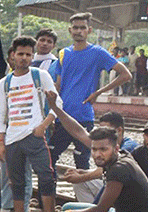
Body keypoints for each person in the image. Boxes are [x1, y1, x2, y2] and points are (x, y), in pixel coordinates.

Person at [49, 94, 148, 212]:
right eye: (94, 149)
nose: (97, 154)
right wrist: (56, 109)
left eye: (103, 149)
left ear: (116, 148)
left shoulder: (119, 169)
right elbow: (78, 131)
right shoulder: (115, 157)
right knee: (69, 205)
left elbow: (100, 210)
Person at [50, 13, 131, 170]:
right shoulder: (63, 54)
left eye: (82, 27)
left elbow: (126, 74)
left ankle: (84, 194)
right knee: (50, 159)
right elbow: (59, 86)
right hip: (63, 117)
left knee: (82, 161)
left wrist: (98, 92)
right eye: (75, 27)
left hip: (83, 116)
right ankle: (48, 194)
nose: (78, 31)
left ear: (89, 30)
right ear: (69, 29)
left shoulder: (97, 53)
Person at [0, 36, 60, 212]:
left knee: (46, 177)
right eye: (20, 54)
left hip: (35, 136)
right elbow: (1, 114)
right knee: (16, 181)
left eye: (28, 54)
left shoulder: (40, 76)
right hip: (13, 138)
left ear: (32, 57)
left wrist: (43, 126)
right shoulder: (4, 83)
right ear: (13, 56)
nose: (24, 58)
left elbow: (58, 105)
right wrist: (0, 141)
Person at [62, 111, 139, 204]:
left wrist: (81, 177)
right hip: (114, 186)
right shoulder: (106, 143)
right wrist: (82, 172)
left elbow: (109, 170)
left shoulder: (129, 146)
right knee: (79, 184)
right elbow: (80, 132)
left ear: (119, 130)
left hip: (126, 191)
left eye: (106, 129)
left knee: (82, 183)